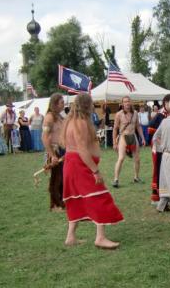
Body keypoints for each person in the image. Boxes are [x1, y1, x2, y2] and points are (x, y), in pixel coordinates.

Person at [62, 93, 123, 248]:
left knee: (76, 199)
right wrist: (95, 171)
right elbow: (82, 149)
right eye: (92, 104)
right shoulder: (81, 123)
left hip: (71, 163)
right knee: (99, 197)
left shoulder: (70, 121)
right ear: (87, 105)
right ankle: (100, 237)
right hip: (79, 165)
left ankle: (70, 237)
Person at [112, 96, 146, 187]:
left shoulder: (135, 113)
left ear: (131, 102)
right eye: (125, 102)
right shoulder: (119, 114)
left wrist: (142, 138)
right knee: (121, 158)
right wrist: (114, 143)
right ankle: (116, 179)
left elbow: (138, 126)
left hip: (133, 137)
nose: (127, 103)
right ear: (122, 104)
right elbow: (115, 129)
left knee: (137, 159)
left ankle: (136, 177)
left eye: (128, 101)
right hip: (123, 137)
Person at [148, 94, 170, 202]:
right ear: (165, 103)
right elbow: (150, 130)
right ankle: (157, 196)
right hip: (159, 149)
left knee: (169, 171)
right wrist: (160, 143)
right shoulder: (159, 116)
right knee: (158, 171)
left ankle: (167, 196)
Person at [42, 93, 66, 211]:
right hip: (54, 150)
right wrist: (52, 155)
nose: (63, 104)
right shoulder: (49, 117)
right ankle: (55, 204)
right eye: (62, 102)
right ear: (55, 104)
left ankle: (61, 200)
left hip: (62, 149)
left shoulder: (60, 116)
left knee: (63, 176)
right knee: (56, 178)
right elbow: (45, 137)